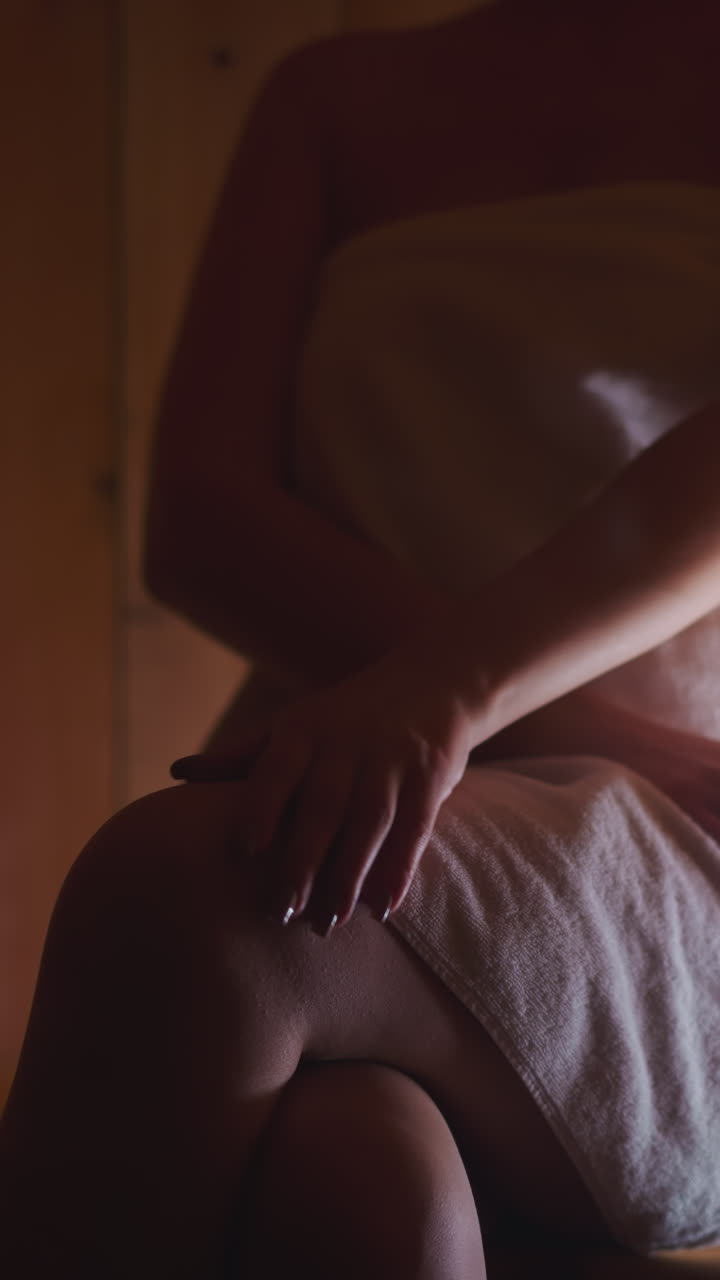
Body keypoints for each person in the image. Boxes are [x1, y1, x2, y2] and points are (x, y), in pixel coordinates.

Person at [2, 0, 720, 1275]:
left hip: (675, 804)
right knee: (357, 1184)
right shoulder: (332, 100)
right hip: (358, 746)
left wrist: (454, 696)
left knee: (183, 893)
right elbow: (205, 523)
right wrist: (431, 706)